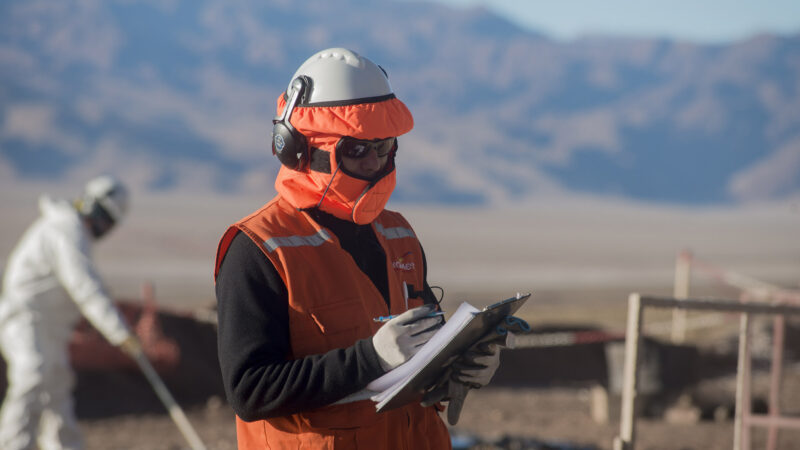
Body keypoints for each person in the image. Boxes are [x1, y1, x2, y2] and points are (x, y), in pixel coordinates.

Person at [214, 47, 501, 449]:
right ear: (298, 147)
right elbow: (250, 390)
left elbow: (416, 351)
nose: (373, 163)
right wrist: (369, 359)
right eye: (356, 149)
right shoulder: (259, 249)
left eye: (384, 146)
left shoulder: (398, 234)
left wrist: (457, 365)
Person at [0, 175, 141, 450]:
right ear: (93, 207)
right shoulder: (65, 231)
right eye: (106, 218)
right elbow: (84, 285)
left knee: (56, 389)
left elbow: (86, 285)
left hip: (51, 326)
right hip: (25, 320)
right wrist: (118, 332)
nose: (106, 228)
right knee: (33, 375)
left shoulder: (73, 234)